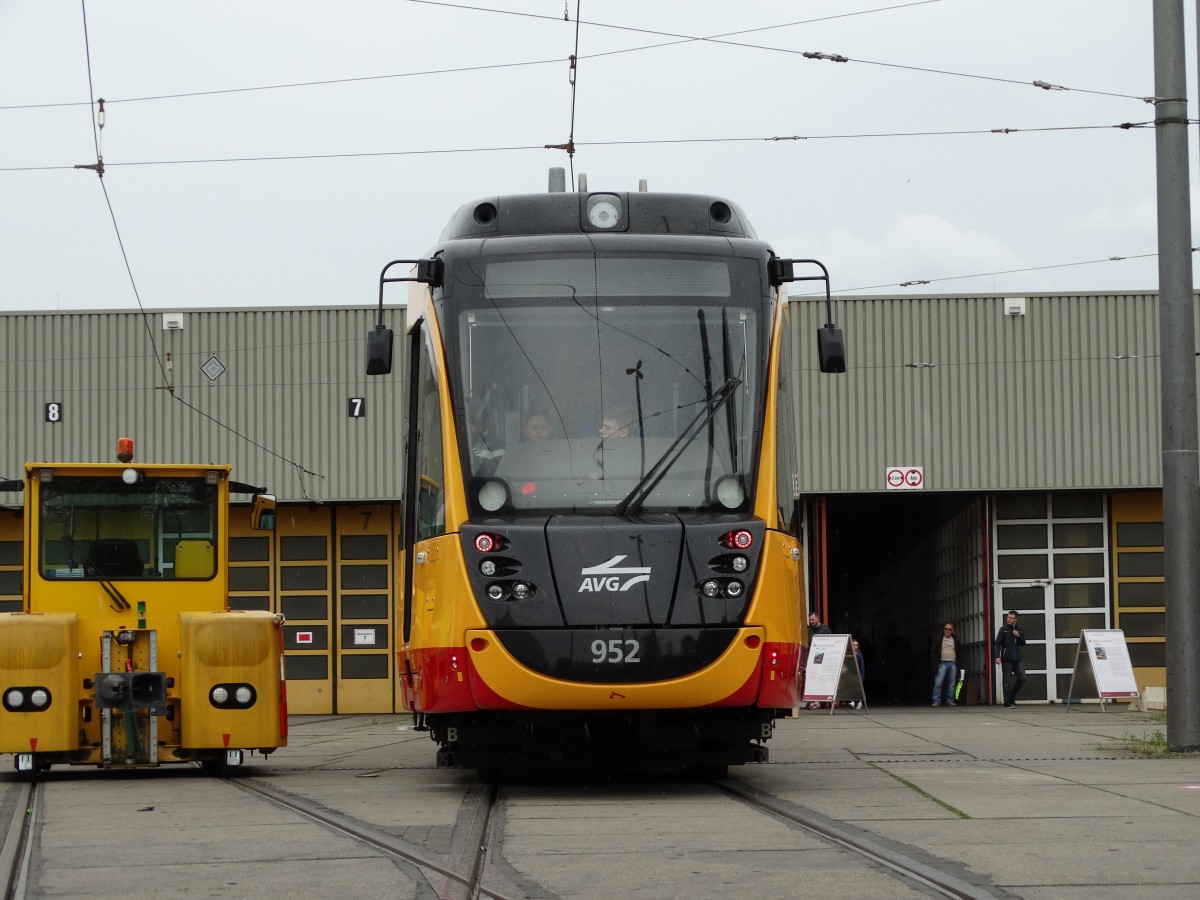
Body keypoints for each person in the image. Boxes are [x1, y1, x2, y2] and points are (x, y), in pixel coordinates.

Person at [993, 609, 1027, 708]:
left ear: (1016, 619)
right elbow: (997, 644)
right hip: (1007, 659)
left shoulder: (1019, 629)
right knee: (1007, 682)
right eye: (1008, 617)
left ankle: (1011, 697)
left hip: (1017, 659)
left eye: (1011, 618)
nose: (1009, 619)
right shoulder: (1003, 629)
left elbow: (1023, 643)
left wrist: (1018, 636)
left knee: (1022, 678)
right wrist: (997, 656)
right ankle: (1007, 702)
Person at [804, 612, 831, 709]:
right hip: (811, 656)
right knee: (811, 677)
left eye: (813, 619)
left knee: (818, 677)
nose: (811, 621)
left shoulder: (824, 629)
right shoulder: (809, 630)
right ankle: (813, 700)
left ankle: (817, 701)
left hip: (820, 655)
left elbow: (826, 643)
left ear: (817, 618)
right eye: (810, 620)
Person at [931, 622, 960, 707]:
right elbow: (933, 652)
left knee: (952, 684)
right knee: (938, 683)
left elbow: (960, 653)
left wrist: (958, 665)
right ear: (943, 630)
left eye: (949, 629)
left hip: (953, 663)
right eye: (946, 629)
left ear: (952, 631)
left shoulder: (956, 640)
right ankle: (936, 700)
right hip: (942, 663)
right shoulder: (939, 639)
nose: (947, 630)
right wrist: (935, 663)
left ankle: (950, 700)